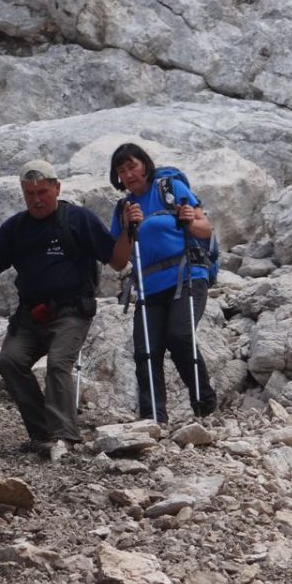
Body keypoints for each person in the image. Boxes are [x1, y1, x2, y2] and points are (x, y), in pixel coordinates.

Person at [0, 159, 140, 458]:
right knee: (11, 361)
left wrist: (128, 232)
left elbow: (117, 261)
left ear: (56, 188)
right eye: (30, 194)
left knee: (58, 364)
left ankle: (66, 437)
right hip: (30, 315)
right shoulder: (16, 227)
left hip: (72, 312)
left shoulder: (79, 220)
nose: (37, 199)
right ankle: (42, 435)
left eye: (42, 192)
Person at [108, 143, 218, 423]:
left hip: (187, 274)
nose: (129, 174)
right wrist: (126, 229)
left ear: (145, 164)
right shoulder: (124, 208)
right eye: (122, 171)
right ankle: (153, 417)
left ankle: (204, 404)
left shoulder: (169, 189)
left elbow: (206, 229)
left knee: (179, 335)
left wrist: (189, 220)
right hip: (149, 285)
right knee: (146, 348)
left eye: (132, 166)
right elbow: (118, 261)